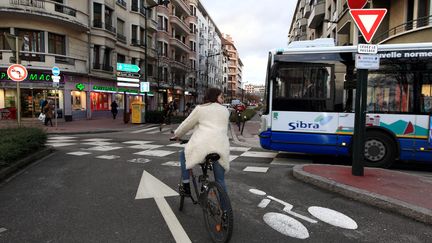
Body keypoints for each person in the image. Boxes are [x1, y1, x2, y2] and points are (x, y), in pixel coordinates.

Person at [171, 88, 230, 195]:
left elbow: (186, 124)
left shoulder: (200, 109)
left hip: (202, 147)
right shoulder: (225, 111)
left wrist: (177, 134)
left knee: (183, 155)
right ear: (215, 97)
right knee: (220, 181)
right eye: (221, 97)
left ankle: (186, 186)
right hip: (221, 148)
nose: (223, 99)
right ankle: (226, 210)